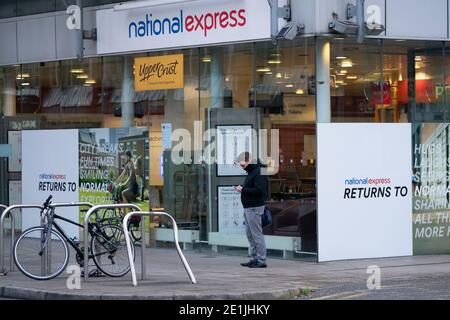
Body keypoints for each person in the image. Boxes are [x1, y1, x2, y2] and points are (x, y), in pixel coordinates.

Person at [234, 152, 268, 268]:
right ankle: (255, 258)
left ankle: (261, 259)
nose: (241, 167)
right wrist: (243, 190)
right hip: (249, 207)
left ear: (249, 160)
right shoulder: (252, 171)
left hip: (254, 207)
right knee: (250, 234)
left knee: (256, 234)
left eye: (243, 165)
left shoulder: (259, 171)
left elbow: (260, 191)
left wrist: (243, 190)